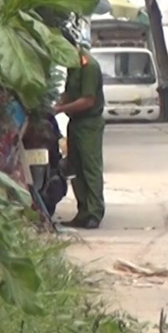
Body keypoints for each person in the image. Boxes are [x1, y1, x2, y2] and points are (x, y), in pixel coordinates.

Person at [54, 27, 106, 229]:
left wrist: (61, 109)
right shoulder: (73, 65)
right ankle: (83, 211)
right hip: (75, 122)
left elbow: (88, 100)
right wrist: (57, 103)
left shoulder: (88, 66)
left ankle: (94, 212)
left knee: (90, 168)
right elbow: (69, 92)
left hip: (89, 124)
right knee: (75, 168)